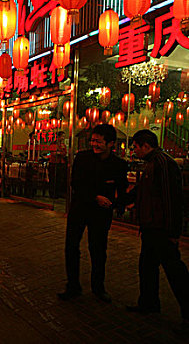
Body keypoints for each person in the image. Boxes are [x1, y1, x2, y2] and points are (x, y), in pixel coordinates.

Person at [58, 124, 128, 303]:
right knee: (72, 247)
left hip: (101, 213)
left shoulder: (118, 164)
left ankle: (98, 287)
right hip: (80, 208)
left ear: (111, 143)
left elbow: (122, 188)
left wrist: (120, 206)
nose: (94, 144)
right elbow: (76, 183)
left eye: (98, 141)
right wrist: (95, 196)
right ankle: (73, 286)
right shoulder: (82, 158)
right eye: (93, 140)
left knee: (98, 250)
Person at [126, 130, 188, 330]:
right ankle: (149, 303)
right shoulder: (152, 163)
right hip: (151, 226)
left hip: (161, 228)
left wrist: (172, 232)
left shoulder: (163, 163)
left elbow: (172, 199)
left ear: (145, 145)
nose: (133, 151)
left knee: (175, 271)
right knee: (147, 266)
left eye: (135, 146)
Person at [49, 131, 67, 198]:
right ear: (58, 137)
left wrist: (59, 153)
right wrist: (59, 153)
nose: (63, 138)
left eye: (64, 137)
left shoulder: (63, 145)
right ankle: (52, 193)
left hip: (61, 163)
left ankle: (58, 193)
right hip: (54, 163)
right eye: (62, 136)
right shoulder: (53, 144)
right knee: (53, 179)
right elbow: (53, 153)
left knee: (59, 179)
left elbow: (65, 153)